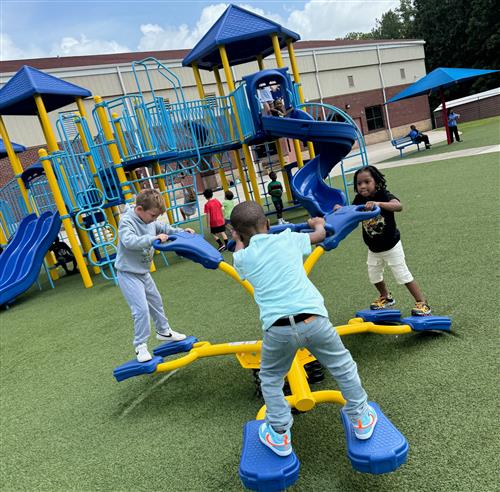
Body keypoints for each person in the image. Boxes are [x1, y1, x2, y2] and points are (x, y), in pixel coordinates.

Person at [231, 201, 377, 457]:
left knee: (271, 379)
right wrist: (317, 223)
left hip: (278, 330)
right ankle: (361, 417)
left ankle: (279, 433)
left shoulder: (242, 257)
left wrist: (239, 238)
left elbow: (240, 253)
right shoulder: (288, 238)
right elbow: (320, 235)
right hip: (314, 320)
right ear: (267, 223)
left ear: (237, 234)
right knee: (343, 367)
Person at [334, 165, 431, 316]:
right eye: (359, 183)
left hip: (391, 245)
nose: (363, 186)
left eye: (367, 182)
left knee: (402, 274)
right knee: (374, 275)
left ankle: (422, 303)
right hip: (373, 248)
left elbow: (398, 206)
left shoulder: (382, 195)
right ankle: (386, 297)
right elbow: (351, 213)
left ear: (376, 182)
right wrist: (341, 209)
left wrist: (379, 204)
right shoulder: (360, 199)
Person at [115, 189, 195, 362]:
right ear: (139, 210)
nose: (154, 220)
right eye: (152, 215)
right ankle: (140, 346)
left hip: (143, 272)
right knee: (141, 309)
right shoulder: (127, 221)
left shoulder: (150, 221)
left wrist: (180, 232)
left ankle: (164, 331)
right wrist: (152, 239)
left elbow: (164, 228)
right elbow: (129, 242)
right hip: (128, 273)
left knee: (156, 301)